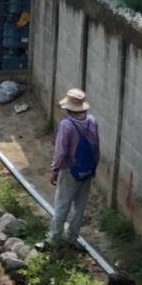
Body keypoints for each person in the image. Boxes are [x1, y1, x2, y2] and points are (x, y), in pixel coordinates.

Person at [48, 89, 100, 246]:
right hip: (87, 170)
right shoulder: (92, 121)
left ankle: (54, 238)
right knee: (80, 206)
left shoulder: (66, 125)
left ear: (68, 108)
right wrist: (93, 168)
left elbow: (61, 151)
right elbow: (97, 147)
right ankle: (73, 238)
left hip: (70, 170)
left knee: (62, 205)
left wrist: (55, 170)